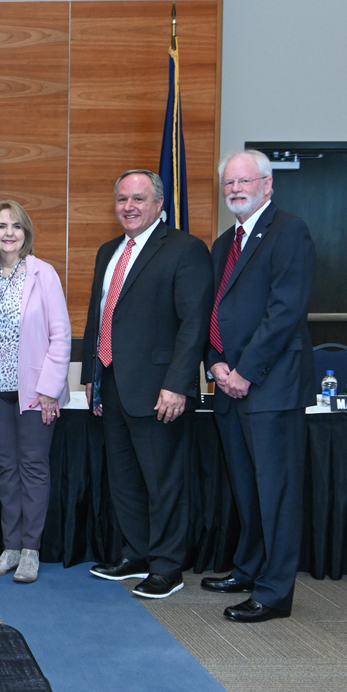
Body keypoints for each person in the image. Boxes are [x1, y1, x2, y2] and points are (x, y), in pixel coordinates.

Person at [81, 169, 212, 599]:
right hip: (114, 383)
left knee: (164, 482)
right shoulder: (108, 252)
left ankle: (167, 566)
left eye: (139, 199)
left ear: (160, 204)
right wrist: (91, 377)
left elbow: (194, 324)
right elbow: (99, 315)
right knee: (124, 479)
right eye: (122, 199)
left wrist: (177, 384)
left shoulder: (185, 249)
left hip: (160, 390)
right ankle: (135, 554)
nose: (129, 207)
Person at [202, 150, 315, 622]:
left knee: (276, 494)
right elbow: (215, 313)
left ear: (268, 185)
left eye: (244, 181)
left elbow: (285, 311)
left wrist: (245, 371)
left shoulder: (289, 231)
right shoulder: (225, 241)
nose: (235, 189)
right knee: (246, 490)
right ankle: (248, 567)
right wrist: (216, 364)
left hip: (270, 386)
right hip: (229, 384)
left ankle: (273, 593)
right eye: (229, 183)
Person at [0, 200, 71, 584]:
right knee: (5, 471)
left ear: (25, 232)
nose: (8, 232)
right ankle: (10, 548)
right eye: (0, 226)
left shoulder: (43, 274)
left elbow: (60, 336)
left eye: (15, 226)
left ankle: (31, 550)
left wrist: (49, 391)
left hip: (32, 392)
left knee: (33, 468)